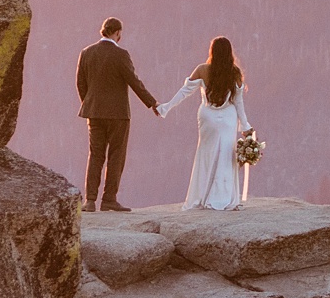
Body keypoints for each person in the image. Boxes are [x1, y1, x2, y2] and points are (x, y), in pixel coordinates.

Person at [75, 16, 162, 212]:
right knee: (116, 155)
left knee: (95, 155)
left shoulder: (86, 53)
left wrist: (90, 104)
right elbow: (134, 82)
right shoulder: (121, 55)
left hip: (94, 113)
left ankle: (89, 200)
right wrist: (152, 103)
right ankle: (109, 199)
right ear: (117, 33)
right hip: (118, 115)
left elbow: (80, 83)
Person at [160, 35, 254, 211]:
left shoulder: (202, 70)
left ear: (212, 51)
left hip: (207, 117)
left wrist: (166, 107)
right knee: (226, 156)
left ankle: (203, 195)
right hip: (228, 118)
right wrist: (245, 126)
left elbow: (184, 92)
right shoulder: (234, 72)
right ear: (229, 53)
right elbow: (239, 102)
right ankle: (224, 197)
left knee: (205, 154)